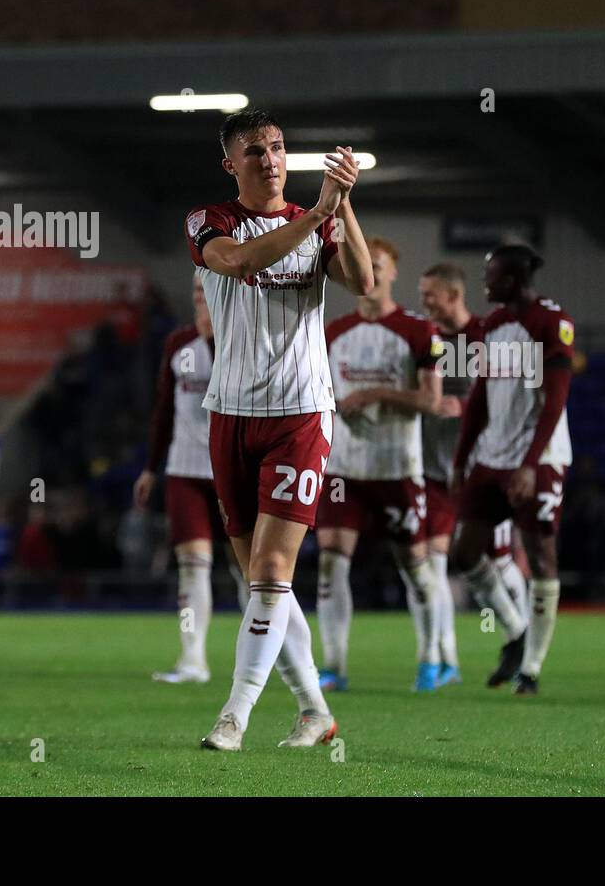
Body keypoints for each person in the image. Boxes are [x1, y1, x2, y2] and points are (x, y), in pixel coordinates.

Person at [185, 108, 374, 752]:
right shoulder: (208, 222)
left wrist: (340, 205)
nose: (269, 159)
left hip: (300, 413)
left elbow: (364, 281)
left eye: (276, 147)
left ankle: (232, 718)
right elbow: (237, 264)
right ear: (230, 164)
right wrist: (318, 216)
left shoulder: (314, 223)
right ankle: (315, 711)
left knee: (270, 569)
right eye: (253, 151)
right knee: (264, 583)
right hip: (231, 414)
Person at [315, 236, 447, 691]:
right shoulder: (331, 332)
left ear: (393, 273)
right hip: (343, 469)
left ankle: (431, 659)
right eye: (361, 264)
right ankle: (333, 665)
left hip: (396, 466)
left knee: (414, 563)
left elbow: (431, 401)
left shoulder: (418, 331)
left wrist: (375, 393)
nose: (368, 273)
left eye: (377, 265)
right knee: (331, 562)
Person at [449, 243, 575, 695]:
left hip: (538, 459)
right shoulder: (495, 325)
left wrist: (528, 464)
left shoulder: (550, 323)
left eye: (492, 275)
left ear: (514, 280)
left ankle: (533, 668)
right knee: (464, 554)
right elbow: (481, 395)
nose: (485, 282)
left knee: (542, 557)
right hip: (492, 456)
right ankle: (518, 634)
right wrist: (462, 458)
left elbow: (555, 399)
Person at [418, 262, 530, 684]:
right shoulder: (425, 338)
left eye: (429, 293)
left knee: (497, 558)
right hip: (431, 467)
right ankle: (450, 654)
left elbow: (512, 395)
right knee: (438, 561)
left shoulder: (487, 336)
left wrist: (464, 409)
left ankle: (524, 648)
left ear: (452, 295)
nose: (424, 301)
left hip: (484, 466)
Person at [134, 274, 243, 684]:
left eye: (209, 290)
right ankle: (192, 660)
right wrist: (150, 467)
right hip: (185, 470)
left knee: (248, 569)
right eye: (197, 290)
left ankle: (263, 659)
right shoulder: (178, 344)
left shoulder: (242, 338)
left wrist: (215, 339)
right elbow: (165, 409)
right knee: (192, 566)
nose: (201, 297)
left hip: (232, 469)